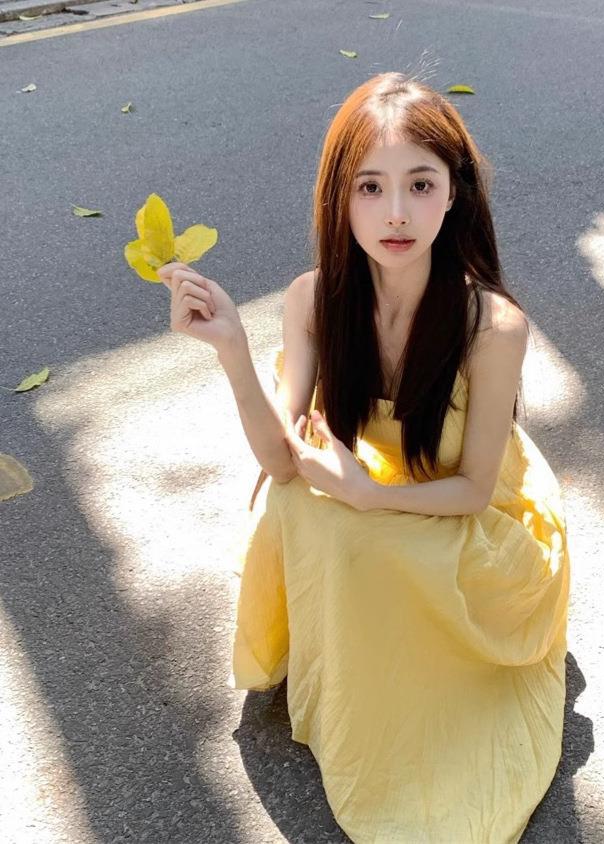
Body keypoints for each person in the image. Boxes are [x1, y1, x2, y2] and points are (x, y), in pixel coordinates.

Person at [157, 71, 571, 844]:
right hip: (376, 489)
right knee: (298, 504)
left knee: (354, 530)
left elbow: (472, 490)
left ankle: (410, 709)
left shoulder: (492, 326)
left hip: (470, 515)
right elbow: (283, 461)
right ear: (339, 199)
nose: (397, 213)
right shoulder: (314, 300)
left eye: (421, 184)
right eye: (370, 187)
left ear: (455, 193)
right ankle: (355, 686)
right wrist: (233, 350)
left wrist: (368, 495)